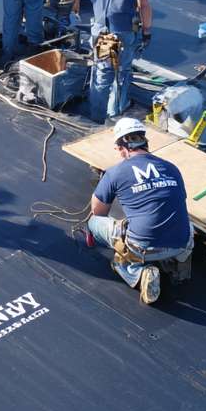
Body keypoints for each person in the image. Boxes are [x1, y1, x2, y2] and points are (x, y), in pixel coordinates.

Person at [86, 118, 192, 305]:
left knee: (94, 222)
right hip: (180, 243)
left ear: (123, 148)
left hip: (144, 248)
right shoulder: (171, 168)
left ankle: (139, 271)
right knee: (188, 222)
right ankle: (181, 260)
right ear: (145, 142)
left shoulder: (115, 173)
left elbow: (98, 210)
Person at [70, 0, 152, 122]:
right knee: (120, 74)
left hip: (101, 28)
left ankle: (95, 115)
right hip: (121, 30)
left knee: (101, 72)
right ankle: (113, 117)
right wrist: (147, 30)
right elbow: (142, 3)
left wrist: (76, 2)